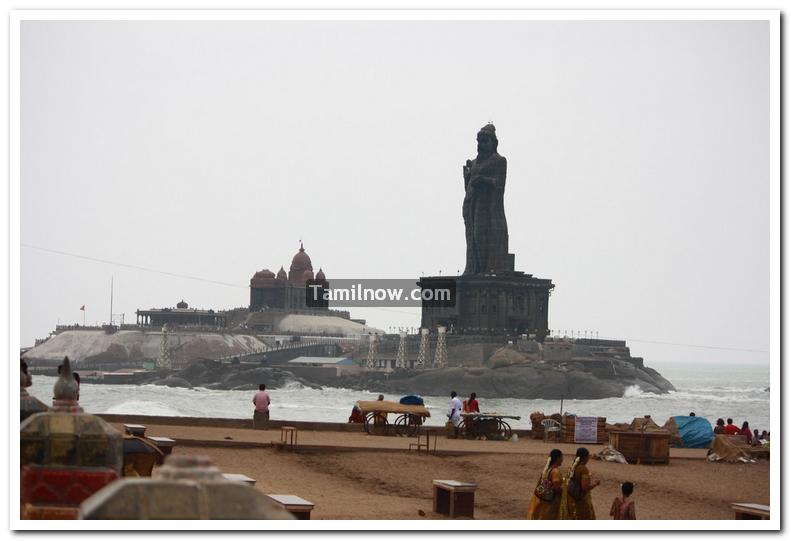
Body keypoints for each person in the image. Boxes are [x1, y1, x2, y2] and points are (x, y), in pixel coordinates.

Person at [527, 449, 564, 520]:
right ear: (558, 458)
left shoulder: (547, 469)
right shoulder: (555, 471)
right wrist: (565, 493)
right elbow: (557, 488)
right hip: (551, 503)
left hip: (544, 500)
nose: (562, 459)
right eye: (561, 457)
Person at [566, 447, 600, 520]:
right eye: (588, 457)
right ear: (585, 458)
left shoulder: (573, 466)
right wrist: (595, 484)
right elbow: (585, 487)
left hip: (571, 498)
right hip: (581, 500)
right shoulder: (583, 469)